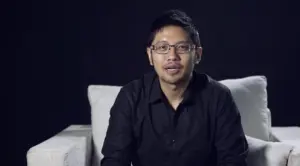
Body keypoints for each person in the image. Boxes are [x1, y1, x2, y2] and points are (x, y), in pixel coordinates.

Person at [101, 9, 248, 166]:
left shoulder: (219, 97)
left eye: (182, 47)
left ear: (198, 54)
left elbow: (233, 161)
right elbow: (114, 160)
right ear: (150, 55)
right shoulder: (131, 97)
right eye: (162, 47)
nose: (172, 56)